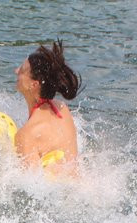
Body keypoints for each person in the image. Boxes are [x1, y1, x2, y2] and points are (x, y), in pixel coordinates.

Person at [14, 40, 82, 169]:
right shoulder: (63, 110)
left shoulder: (26, 135)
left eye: (22, 70)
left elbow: (30, 184)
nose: (16, 71)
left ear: (34, 84)